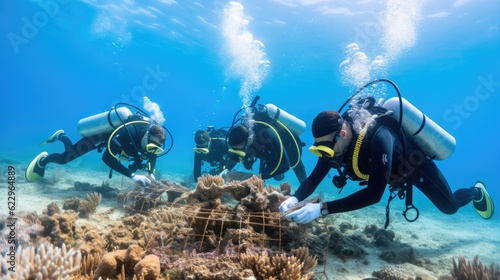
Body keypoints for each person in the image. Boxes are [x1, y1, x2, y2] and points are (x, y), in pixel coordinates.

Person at [279, 109, 495, 225]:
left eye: (328, 148)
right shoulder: (333, 144)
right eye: (321, 149)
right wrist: (295, 198)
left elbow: (374, 194)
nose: (328, 155)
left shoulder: (378, 136)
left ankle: (476, 191)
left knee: (450, 207)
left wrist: (322, 209)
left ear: (342, 134)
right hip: (387, 171)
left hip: (413, 165)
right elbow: (314, 177)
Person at [26, 117, 166, 186]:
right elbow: (107, 158)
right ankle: (44, 158)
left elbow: (153, 156)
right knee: (64, 159)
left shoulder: (151, 144)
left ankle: (61, 136)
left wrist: (151, 173)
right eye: (151, 146)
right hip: (98, 138)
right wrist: (132, 175)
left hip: (117, 144)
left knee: (150, 153)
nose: (151, 151)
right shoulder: (129, 131)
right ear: (147, 135)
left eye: (156, 149)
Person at [226, 119, 307, 183]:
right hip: (266, 154)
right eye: (235, 148)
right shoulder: (243, 139)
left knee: (299, 176)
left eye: (240, 148)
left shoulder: (267, 133)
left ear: (248, 140)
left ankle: (305, 190)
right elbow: (234, 160)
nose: (239, 150)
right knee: (262, 178)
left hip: (289, 150)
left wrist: (257, 178)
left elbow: (285, 165)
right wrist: (225, 172)